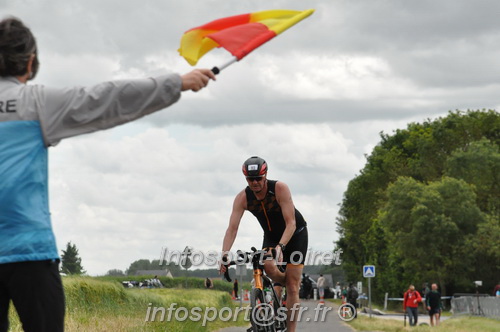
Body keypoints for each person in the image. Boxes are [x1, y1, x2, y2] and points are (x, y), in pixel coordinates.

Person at [0, 17, 216, 332]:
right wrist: (176, 82)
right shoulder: (36, 103)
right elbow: (107, 98)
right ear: (30, 62)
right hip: (29, 250)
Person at [219, 156, 308, 332]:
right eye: (250, 179)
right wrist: (224, 254)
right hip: (271, 236)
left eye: (258, 178)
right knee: (267, 264)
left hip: (295, 234)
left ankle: (291, 329)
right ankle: (281, 282)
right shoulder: (243, 198)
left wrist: (281, 247)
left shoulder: (280, 188)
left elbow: (291, 223)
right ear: (246, 178)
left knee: (292, 286)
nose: (255, 183)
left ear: (265, 175)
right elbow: (232, 229)